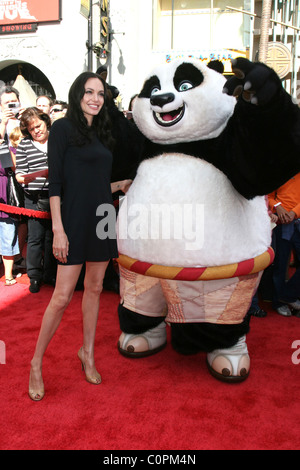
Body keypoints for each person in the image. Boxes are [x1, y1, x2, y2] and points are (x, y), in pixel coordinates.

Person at [28, 72, 132, 401]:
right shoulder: (61, 128)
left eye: (101, 94)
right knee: (61, 298)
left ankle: (87, 353)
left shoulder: (103, 132)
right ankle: (35, 363)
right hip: (71, 220)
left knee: (97, 288)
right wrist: (58, 229)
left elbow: (97, 181)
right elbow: (56, 184)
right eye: (89, 92)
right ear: (77, 94)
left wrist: (118, 185)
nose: (95, 98)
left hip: (102, 217)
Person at [15, 107, 56, 293]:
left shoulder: (57, 140)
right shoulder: (24, 144)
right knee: (35, 238)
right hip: (33, 198)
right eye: (32, 129)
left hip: (55, 195)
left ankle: (50, 274)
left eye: (38, 125)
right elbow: (20, 176)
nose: (37, 130)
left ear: (46, 122)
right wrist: (41, 174)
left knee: (52, 237)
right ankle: (34, 276)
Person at [268, 173, 300, 317]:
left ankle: (287, 295)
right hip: (281, 223)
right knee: (280, 265)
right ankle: (279, 302)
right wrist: (278, 207)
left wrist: (294, 212)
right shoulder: (280, 168)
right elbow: (266, 196)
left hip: (297, 220)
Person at [0, 139, 20, 285]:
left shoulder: (5, 149)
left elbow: (13, 168)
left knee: (8, 235)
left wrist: (3, 149)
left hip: (6, 197)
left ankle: (8, 275)